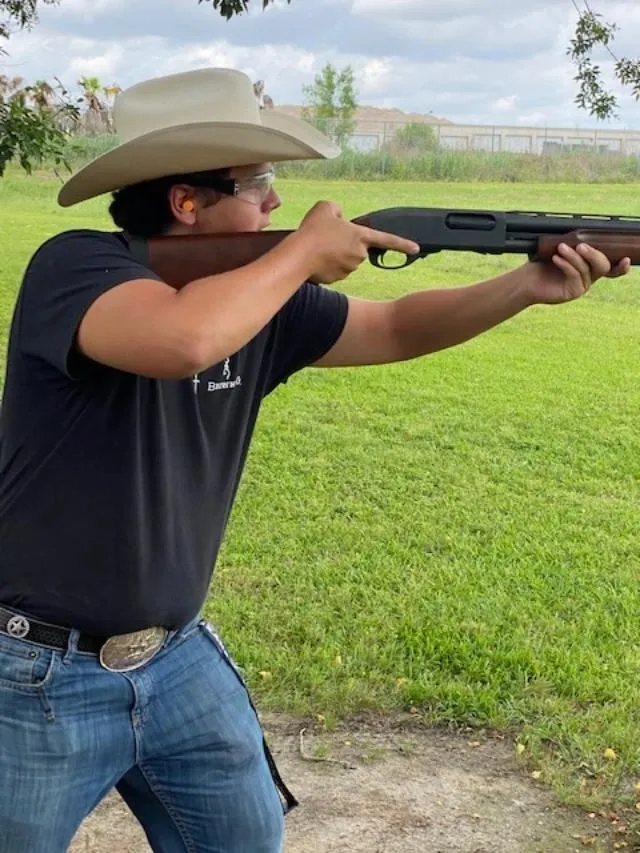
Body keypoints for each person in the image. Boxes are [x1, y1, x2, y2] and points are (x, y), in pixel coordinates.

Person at [0, 66, 630, 853]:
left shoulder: (257, 292)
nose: (276, 203)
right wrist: (298, 255)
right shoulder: (76, 267)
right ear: (185, 201)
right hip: (35, 673)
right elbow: (181, 339)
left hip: (180, 656)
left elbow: (397, 325)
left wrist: (526, 284)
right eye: (257, 181)